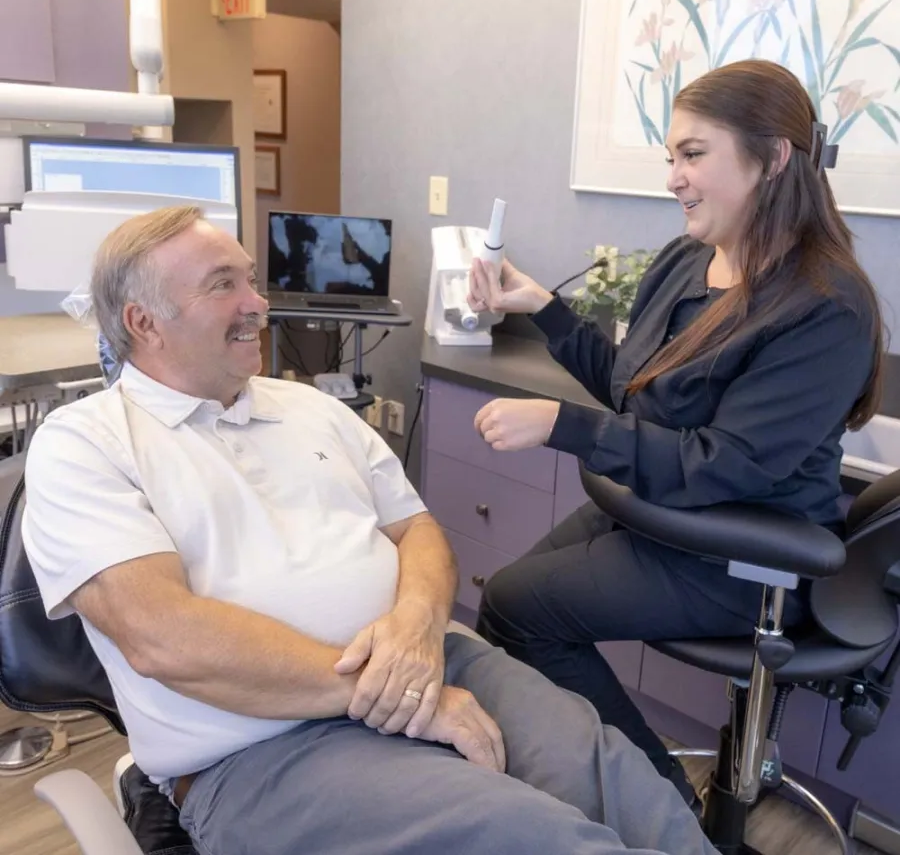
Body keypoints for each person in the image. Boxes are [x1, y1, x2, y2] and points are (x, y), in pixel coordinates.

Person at [21, 205, 716, 855]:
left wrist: (417, 625)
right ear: (144, 323)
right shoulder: (86, 443)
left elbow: (419, 533)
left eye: (252, 281)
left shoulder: (309, 408)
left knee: (621, 780)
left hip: (434, 659)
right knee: (531, 836)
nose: (258, 304)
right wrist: (402, 698)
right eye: (222, 285)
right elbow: (162, 638)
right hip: (263, 746)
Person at [467, 59, 884, 807]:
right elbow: (637, 392)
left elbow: (728, 464)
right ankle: (601, 787)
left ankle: (661, 800)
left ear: (774, 158)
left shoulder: (825, 305)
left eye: (693, 155)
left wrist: (563, 426)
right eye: (671, 157)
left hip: (738, 552)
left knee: (518, 611)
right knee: (505, 609)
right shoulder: (688, 260)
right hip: (656, 512)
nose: (673, 178)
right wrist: (542, 309)